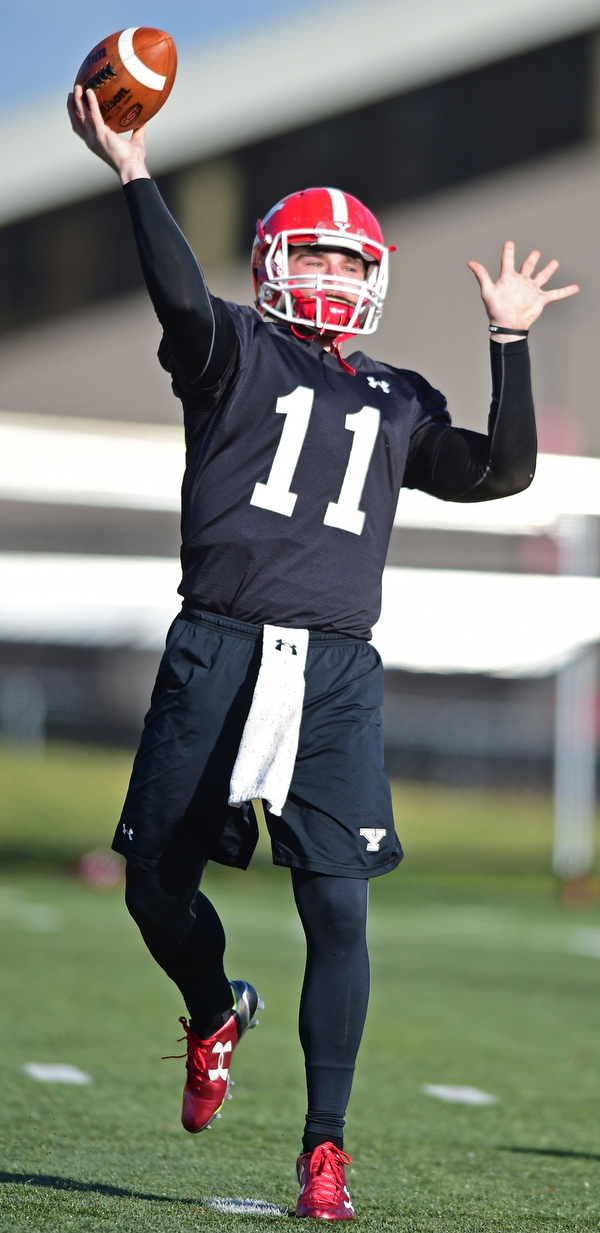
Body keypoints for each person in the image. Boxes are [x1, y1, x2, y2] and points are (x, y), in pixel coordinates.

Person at [68, 82, 578, 1221]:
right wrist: (134, 173)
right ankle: (212, 1008)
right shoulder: (231, 350)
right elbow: (175, 296)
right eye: (317, 258)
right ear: (270, 263)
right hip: (217, 649)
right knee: (154, 889)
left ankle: (325, 1151)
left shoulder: (399, 393)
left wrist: (510, 340)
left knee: (338, 909)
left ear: (375, 278)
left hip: (335, 674)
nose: (338, 278)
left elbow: (502, 473)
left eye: (353, 263)